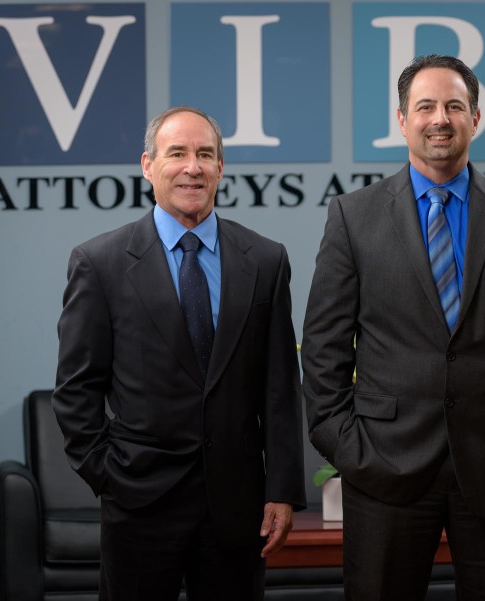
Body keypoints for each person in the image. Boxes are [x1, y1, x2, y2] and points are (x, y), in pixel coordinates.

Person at [301, 54, 485, 601]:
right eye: (425, 106)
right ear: (402, 120)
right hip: (384, 472)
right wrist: (352, 452)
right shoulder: (353, 217)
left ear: (475, 117)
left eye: (454, 106)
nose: (440, 118)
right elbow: (323, 352)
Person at [53, 106, 306, 601]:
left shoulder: (266, 260)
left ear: (220, 169)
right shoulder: (99, 263)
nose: (193, 167)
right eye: (178, 154)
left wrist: (281, 489)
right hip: (139, 505)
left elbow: (278, 387)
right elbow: (76, 390)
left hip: (237, 507)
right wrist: (110, 477)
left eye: (205, 155)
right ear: (148, 166)